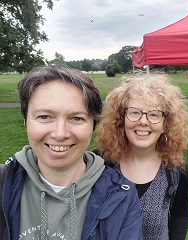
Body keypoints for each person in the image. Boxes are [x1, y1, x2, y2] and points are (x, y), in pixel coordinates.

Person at [0, 66, 142, 239]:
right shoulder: (3, 183)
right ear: (26, 122)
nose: (60, 134)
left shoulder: (121, 197)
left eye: (76, 118)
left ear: (92, 126)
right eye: (44, 117)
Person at [96, 74, 188, 240]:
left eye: (154, 114)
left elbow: (180, 215)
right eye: (134, 112)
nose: (143, 121)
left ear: (166, 124)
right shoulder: (100, 163)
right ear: (121, 119)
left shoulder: (176, 172)